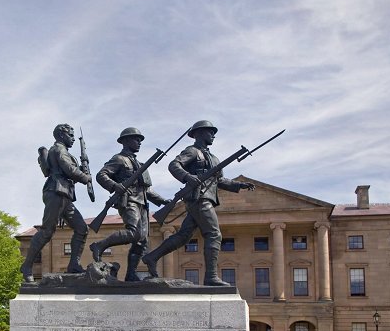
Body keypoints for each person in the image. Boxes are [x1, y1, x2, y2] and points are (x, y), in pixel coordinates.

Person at [141, 120, 255, 286]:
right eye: (210, 132)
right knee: (214, 234)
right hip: (199, 198)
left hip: (205, 198)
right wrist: (188, 177)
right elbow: (174, 165)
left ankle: (152, 257)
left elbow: (219, 180)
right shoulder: (192, 151)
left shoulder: (214, 158)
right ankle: (210, 277)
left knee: (183, 236)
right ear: (199, 133)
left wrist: (238, 185)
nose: (213, 135)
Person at [89, 127, 169, 281]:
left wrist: (162, 200)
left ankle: (131, 274)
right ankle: (100, 245)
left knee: (142, 241)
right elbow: (101, 175)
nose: (139, 142)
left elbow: (146, 190)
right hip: (128, 200)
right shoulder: (119, 159)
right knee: (134, 233)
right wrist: (114, 186)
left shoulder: (140, 164)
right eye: (135, 139)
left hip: (142, 203)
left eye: (140, 140)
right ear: (125, 141)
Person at [20, 123, 92, 283]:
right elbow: (69, 170)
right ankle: (26, 266)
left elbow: (71, 168)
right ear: (61, 135)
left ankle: (73, 264)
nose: (73, 139)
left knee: (81, 228)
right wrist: (85, 177)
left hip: (64, 194)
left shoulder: (64, 151)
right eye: (70, 135)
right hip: (56, 192)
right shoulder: (59, 149)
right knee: (47, 231)